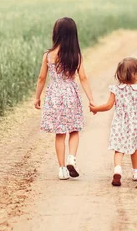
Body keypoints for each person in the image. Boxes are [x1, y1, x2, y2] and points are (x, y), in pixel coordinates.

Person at [34, 17, 95, 180]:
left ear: (56, 34)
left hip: (54, 95)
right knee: (74, 129)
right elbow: (83, 78)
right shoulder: (76, 55)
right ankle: (71, 159)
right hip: (71, 95)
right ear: (73, 35)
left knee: (60, 133)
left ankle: (62, 169)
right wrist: (91, 99)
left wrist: (37, 97)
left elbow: (41, 78)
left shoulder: (48, 55)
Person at [89, 57, 137, 187]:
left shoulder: (116, 90)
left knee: (118, 149)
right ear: (133, 74)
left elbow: (108, 106)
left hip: (119, 124)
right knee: (134, 149)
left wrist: (95, 109)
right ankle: (136, 172)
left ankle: (117, 169)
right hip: (134, 126)